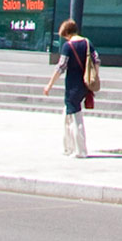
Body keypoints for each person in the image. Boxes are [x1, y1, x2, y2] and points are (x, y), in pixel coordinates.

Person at [40, 19, 94, 158]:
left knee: (76, 117)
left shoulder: (68, 47)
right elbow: (96, 61)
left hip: (72, 86)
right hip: (85, 84)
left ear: (67, 33)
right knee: (68, 114)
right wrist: (91, 80)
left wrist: (49, 85)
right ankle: (68, 147)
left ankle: (80, 150)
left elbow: (61, 67)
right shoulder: (88, 43)